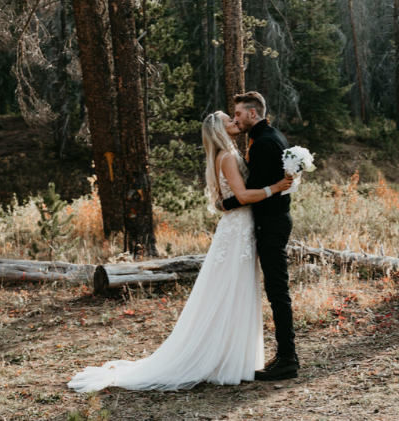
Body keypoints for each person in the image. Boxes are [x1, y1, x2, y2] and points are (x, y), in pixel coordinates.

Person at [67, 111, 292, 392]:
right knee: (230, 291)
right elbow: (244, 197)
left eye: (235, 118)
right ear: (220, 130)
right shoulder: (229, 157)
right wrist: (276, 188)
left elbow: (225, 199)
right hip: (238, 230)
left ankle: (232, 356)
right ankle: (220, 357)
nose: (235, 122)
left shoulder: (225, 155)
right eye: (229, 120)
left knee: (233, 290)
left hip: (238, 227)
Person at [218, 91, 299, 381]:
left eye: (238, 113)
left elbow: (255, 191)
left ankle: (288, 358)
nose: (235, 118)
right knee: (276, 288)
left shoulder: (265, 143)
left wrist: (225, 203)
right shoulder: (272, 136)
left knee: (277, 290)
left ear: (253, 113)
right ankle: (285, 354)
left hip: (272, 222)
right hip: (274, 219)